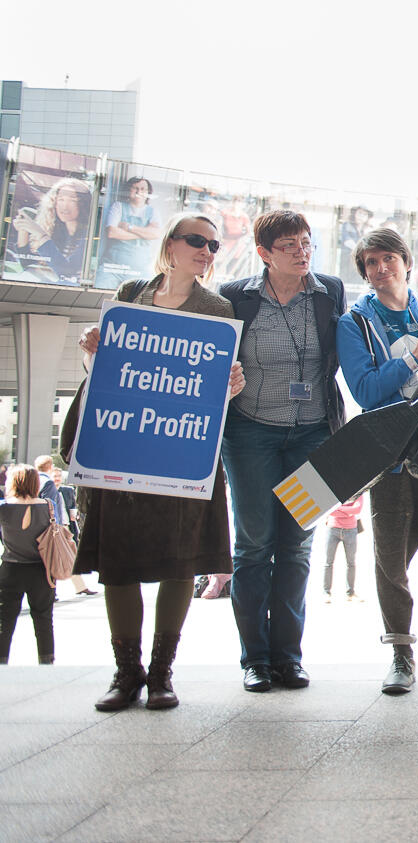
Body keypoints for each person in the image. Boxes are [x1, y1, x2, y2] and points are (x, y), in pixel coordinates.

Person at [76, 212, 247, 710]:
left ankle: (160, 673)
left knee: (181, 561)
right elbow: (105, 374)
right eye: (197, 240)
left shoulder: (217, 308)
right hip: (125, 449)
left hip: (183, 450)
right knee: (119, 562)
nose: (206, 251)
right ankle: (125, 672)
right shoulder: (129, 294)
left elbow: (214, 391)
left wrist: (231, 389)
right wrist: (93, 350)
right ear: (170, 244)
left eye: (214, 246)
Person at [220, 210, 346, 694]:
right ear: (264, 254)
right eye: (289, 245)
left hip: (313, 437)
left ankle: (288, 657)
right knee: (254, 546)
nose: (301, 251)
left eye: (306, 242)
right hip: (251, 435)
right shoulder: (236, 298)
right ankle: (255, 659)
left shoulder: (329, 291)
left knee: (296, 547)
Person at [336, 226, 418, 695]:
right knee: (390, 563)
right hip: (390, 461)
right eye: (371, 262)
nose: (381, 268)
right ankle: (401, 653)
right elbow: (366, 390)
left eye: (389, 258)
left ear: (407, 263)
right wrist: (413, 354)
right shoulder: (354, 322)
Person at [0, 465, 56, 665]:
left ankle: (1, 663)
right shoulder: (48, 505)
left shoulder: (3, 507)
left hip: (10, 569)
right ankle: (46, 663)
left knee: (4, 620)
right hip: (42, 569)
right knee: (43, 618)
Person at [12, 177, 94, 283]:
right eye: (61, 199)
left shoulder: (89, 236)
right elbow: (28, 265)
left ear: (83, 204)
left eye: (72, 200)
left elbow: (67, 270)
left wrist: (39, 233)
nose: (65, 206)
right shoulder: (55, 230)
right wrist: (23, 231)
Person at [35, 456, 93, 597]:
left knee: (65, 555)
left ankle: (78, 586)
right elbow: (50, 506)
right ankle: (54, 590)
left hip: (52, 527)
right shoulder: (47, 483)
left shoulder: (35, 480)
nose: (57, 478)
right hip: (55, 528)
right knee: (61, 556)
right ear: (49, 467)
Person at [101, 176, 164, 284]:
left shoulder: (153, 211)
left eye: (143, 189)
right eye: (135, 188)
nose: (139, 191)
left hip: (141, 271)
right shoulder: (118, 206)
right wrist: (144, 233)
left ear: (148, 192)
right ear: (128, 190)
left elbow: (156, 234)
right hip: (113, 269)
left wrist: (129, 227)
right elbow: (112, 232)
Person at [322, 497, 363, 603]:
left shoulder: (358, 490)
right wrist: (348, 512)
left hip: (351, 530)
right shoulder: (334, 490)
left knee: (351, 563)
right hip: (333, 529)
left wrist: (339, 508)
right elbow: (329, 509)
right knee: (328, 562)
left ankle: (351, 593)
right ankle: (326, 592)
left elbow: (357, 509)